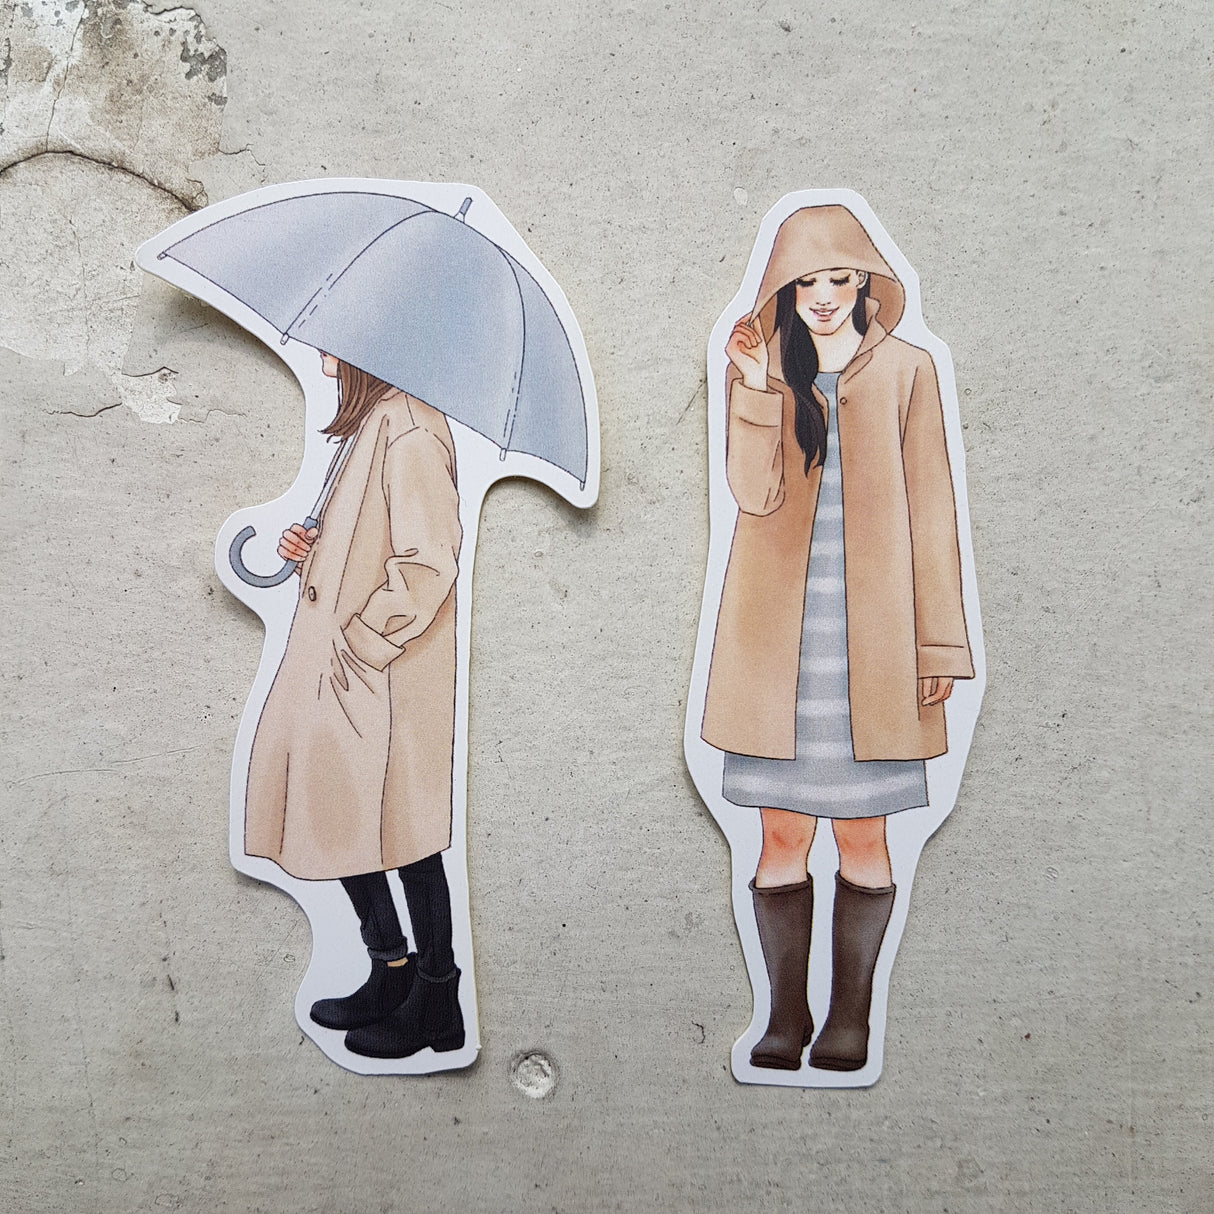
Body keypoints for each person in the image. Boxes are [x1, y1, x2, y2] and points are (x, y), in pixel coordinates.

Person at [701, 205, 974, 1072]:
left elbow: (936, 512)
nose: (823, 296)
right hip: (775, 652)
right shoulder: (761, 371)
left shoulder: (909, 370)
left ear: (864, 283)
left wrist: (940, 647)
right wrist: (754, 387)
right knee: (781, 837)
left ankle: (851, 1018)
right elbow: (752, 496)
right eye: (806, 282)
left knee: (864, 838)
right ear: (784, 289)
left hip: (877, 651)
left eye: (840, 279)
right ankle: (785, 1018)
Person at [245, 350, 466, 1060]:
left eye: (335, 342)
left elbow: (429, 560)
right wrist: (310, 550)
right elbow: (363, 546)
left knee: (407, 840)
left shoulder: (411, 428)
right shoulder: (374, 420)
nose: (322, 356)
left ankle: (438, 998)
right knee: (340, 816)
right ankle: (391, 968)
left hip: (382, 676)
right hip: (340, 669)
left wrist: (364, 642)